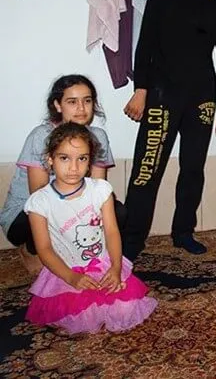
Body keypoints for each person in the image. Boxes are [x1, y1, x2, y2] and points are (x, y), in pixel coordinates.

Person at [122, 0, 216, 260]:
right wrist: (140, 90)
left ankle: (183, 232)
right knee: (147, 167)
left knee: (193, 168)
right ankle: (132, 238)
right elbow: (145, 43)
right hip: (162, 94)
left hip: (202, 98)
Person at [24, 122, 157, 334]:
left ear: (89, 162)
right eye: (64, 158)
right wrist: (71, 277)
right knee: (78, 315)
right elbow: (44, 249)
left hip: (102, 264)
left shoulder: (100, 190)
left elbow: (111, 232)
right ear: (50, 159)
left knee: (126, 308)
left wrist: (115, 267)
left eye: (82, 158)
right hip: (65, 270)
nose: (73, 167)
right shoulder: (39, 202)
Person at [0, 75, 122, 275]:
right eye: (72, 102)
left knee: (118, 212)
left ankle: (77, 250)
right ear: (57, 105)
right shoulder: (42, 135)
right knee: (52, 211)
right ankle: (31, 249)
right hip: (27, 214)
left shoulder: (98, 136)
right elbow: (39, 194)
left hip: (76, 206)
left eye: (87, 101)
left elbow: (99, 188)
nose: (81, 108)